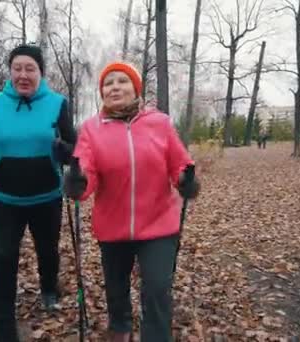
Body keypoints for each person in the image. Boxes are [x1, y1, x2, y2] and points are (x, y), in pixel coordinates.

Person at [63, 62, 200, 342]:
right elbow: (86, 169)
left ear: (135, 88)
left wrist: (186, 180)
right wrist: (79, 182)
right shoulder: (91, 129)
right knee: (116, 290)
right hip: (113, 226)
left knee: (158, 288)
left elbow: (178, 162)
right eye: (108, 83)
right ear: (102, 92)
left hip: (159, 224)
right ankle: (121, 329)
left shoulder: (159, 123)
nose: (114, 87)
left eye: (122, 81)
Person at [0, 43, 76, 341]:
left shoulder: (57, 103)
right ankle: (3, 323)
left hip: (47, 197)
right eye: (17, 68)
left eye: (30, 69)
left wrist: (67, 152)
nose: (23, 75)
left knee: (48, 251)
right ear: (10, 71)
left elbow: (75, 146)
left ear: (41, 73)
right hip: (4, 199)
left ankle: (49, 288)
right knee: (2, 258)